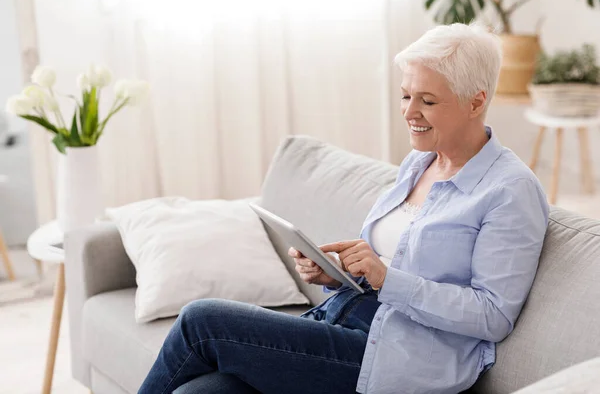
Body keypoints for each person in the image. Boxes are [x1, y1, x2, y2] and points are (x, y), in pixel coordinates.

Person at [138, 23, 549, 394]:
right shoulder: (420, 162)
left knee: (201, 320)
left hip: (399, 358)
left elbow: (493, 315)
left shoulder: (510, 190)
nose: (408, 112)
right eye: (406, 95)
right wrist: (337, 274)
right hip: (341, 322)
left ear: (476, 102)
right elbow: (393, 263)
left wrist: (388, 279)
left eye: (427, 100)